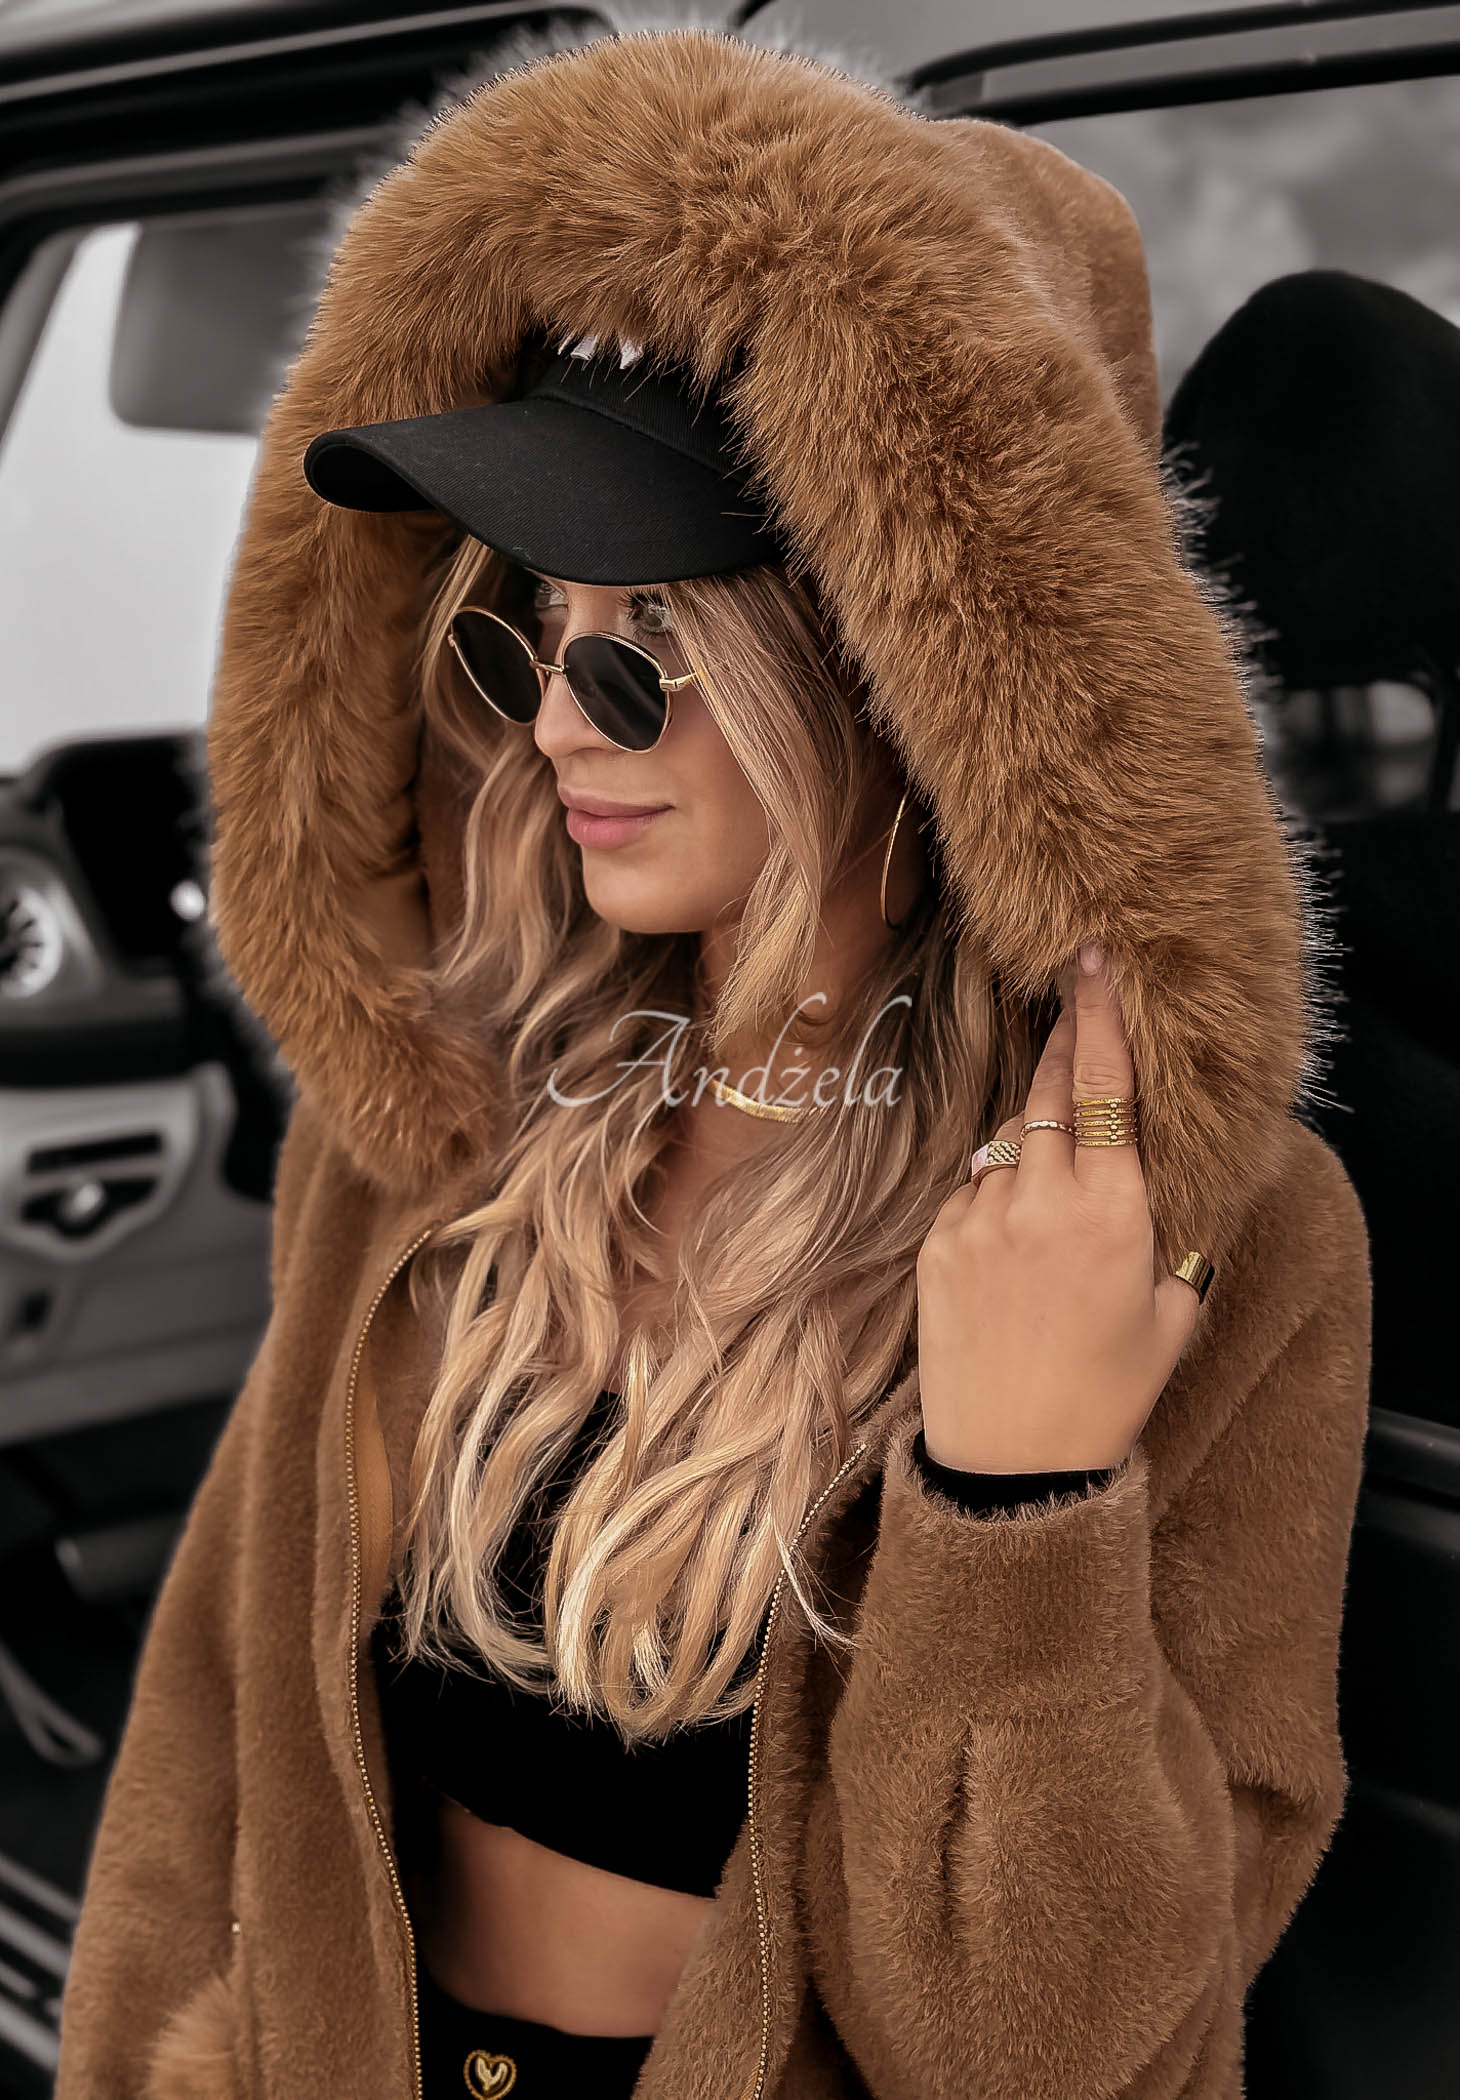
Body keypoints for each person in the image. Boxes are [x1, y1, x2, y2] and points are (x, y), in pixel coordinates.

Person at [55, 22, 1371, 2100]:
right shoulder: (452, 1115)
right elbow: (212, 1759)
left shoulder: (1198, 1247)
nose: (551, 724)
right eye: (525, 628)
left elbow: (1053, 2057)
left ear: (904, 666)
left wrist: (1019, 1497)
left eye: (643, 649)